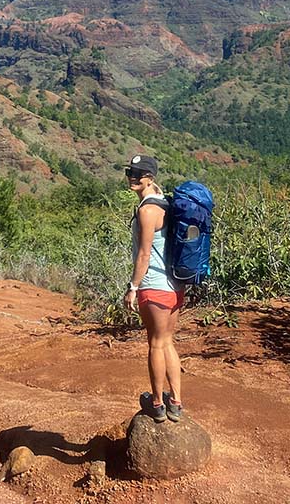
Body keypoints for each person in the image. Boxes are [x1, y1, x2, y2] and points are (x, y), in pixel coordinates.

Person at [121, 154, 184, 423]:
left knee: (156, 344)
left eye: (139, 174)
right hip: (174, 286)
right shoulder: (166, 202)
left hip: (154, 286)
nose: (133, 177)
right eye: (131, 172)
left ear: (150, 177)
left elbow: (144, 255)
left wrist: (133, 287)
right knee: (167, 342)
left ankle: (158, 404)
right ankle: (176, 403)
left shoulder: (147, 211)